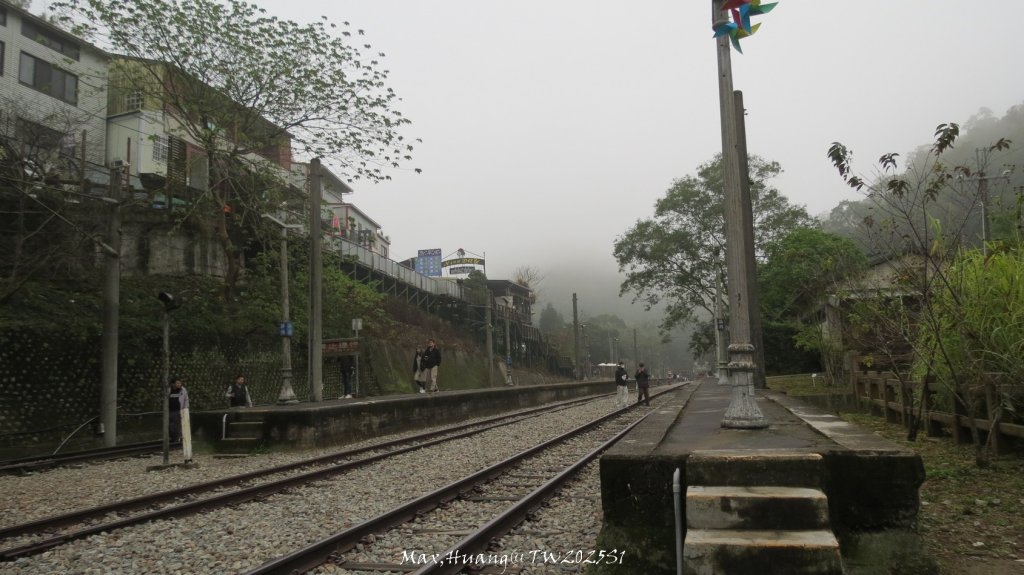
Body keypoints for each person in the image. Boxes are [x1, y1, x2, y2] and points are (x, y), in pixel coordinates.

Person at [168, 377, 193, 464]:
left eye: (180, 383)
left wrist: (185, 408)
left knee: (176, 424)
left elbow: (186, 399)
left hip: (179, 410)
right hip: (170, 410)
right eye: (177, 383)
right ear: (173, 384)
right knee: (170, 425)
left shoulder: (183, 390)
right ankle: (173, 437)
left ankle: (176, 438)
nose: (179, 384)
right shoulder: (169, 390)